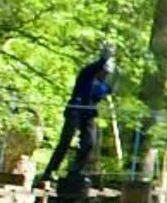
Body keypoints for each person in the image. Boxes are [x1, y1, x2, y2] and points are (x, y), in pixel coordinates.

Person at [37, 40, 115, 185]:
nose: (105, 75)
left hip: (89, 113)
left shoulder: (104, 86)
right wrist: (104, 57)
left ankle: (75, 171)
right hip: (76, 109)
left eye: (107, 73)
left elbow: (107, 92)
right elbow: (95, 66)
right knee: (66, 141)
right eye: (104, 72)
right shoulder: (87, 75)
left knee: (89, 142)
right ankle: (49, 171)